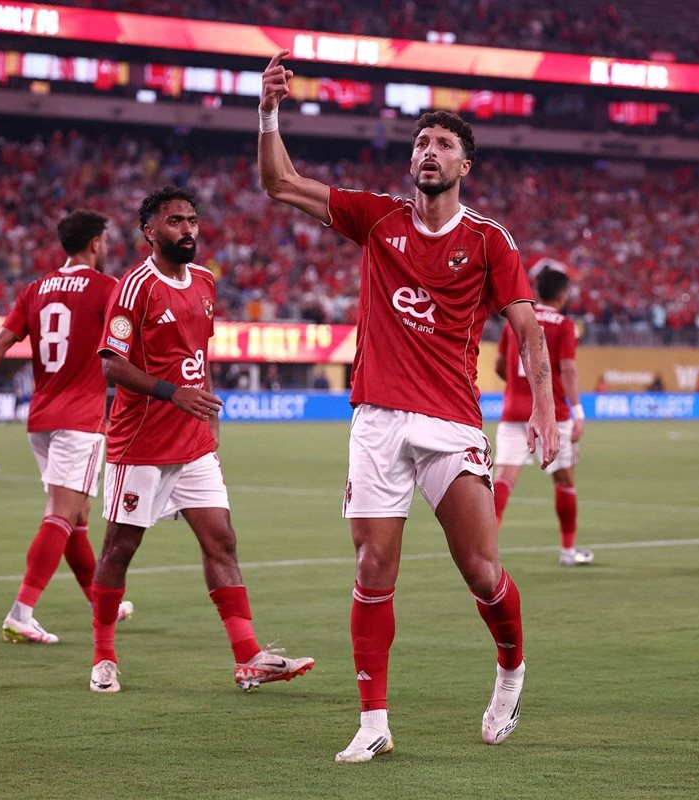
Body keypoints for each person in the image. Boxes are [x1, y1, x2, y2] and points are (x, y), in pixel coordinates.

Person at [258, 51, 560, 762]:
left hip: (451, 421)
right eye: (422, 142)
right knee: (372, 567)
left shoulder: (488, 240)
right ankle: (373, 722)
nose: (429, 151)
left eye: (444, 144)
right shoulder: (377, 219)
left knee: (481, 571)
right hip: (377, 419)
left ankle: (511, 670)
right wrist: (268, 112)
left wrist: (543, 408)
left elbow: (527, 330)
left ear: (465, 165)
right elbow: (279, 183)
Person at [88, 185, 313, 694]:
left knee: (222, 539)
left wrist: (210, 426)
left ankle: (248, 657)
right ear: (150, 231)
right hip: (140, 443)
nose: (187, 229)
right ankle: (103, 657)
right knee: (120, 548)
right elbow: (112, 366)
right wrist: (174, 394)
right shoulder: (134, 288)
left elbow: (199, 359)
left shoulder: (206, 282)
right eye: (175, 221)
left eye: (192, 220)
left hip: (193, 444)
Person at [0, 209, 131, 644]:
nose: (106, 247)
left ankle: (100, 602)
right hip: (79, 420)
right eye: (105, 241)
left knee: (76, 516)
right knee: (61, 514)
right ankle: (21, 611)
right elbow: (127, 347)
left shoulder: (36, 290)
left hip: (41, 419)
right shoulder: (107, 288)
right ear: (95, 244)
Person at [492, 266, 590, 566]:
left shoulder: (515, 321)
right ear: (563, 294)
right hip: (552, 413)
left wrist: (520, 390)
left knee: (503, 480)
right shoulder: (565, 325)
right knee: (564, 479)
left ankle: (483, 554)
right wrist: (578, 410)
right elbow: (568, 370)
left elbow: (499, 365)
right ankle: (568, 551)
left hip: (514, 411)